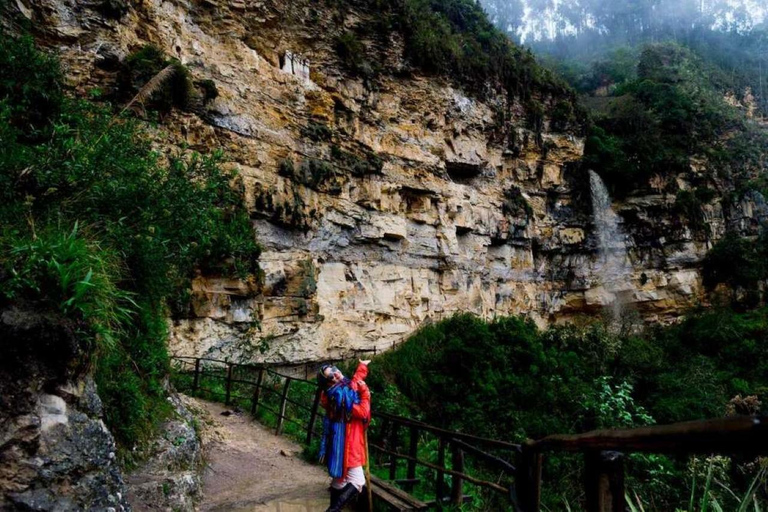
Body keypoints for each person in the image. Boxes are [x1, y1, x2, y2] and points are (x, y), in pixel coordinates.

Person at [317, 359, 371, 512]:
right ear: (329, 383)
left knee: (339, 482)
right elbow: (362, 411)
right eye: (331, 376)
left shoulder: (336, 391)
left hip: (337, 444)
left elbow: (353, 383)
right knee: (358, 481)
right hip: (348, 443)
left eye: (334, 369)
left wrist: (362, 366)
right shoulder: (342, 396)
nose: (336, 373)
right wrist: (365, 393)